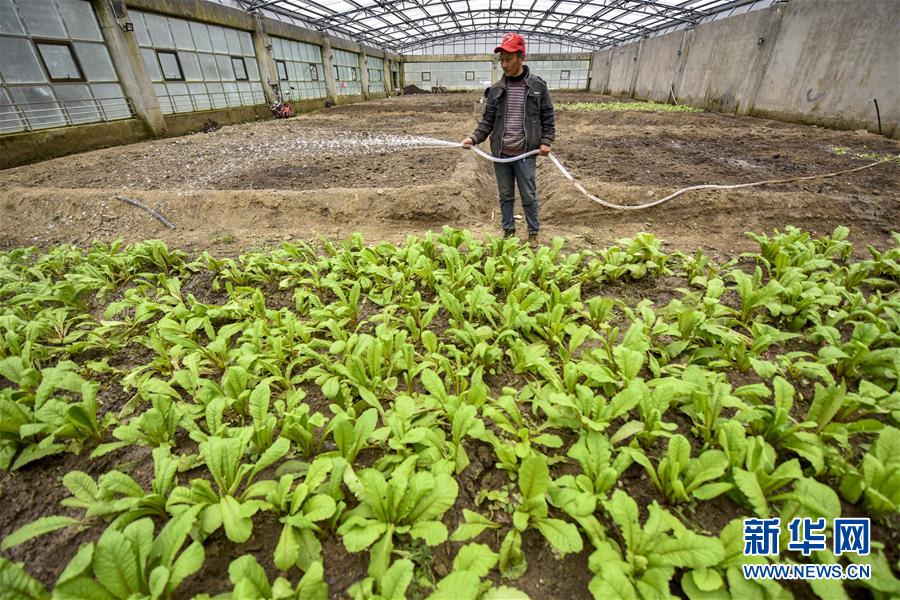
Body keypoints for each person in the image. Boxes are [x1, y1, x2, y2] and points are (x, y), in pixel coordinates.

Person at [462, 33, 555, 246]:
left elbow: (548, 117)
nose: (504, 64)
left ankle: (533, 233)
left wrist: (546, 141)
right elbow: (487, 121)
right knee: (505, 195)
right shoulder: (496, 90)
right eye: (501, 59)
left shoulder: (538, 87)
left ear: (521, 57)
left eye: (509, 59)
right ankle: (508, 232)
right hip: (502, 154)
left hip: (526, 153)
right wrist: (473, 138)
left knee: (528, 196)